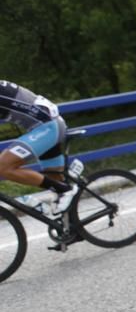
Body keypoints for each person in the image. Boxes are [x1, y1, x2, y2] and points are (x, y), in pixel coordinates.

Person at [0, 80, 78, 213]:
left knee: (3, 167)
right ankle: (71, 229)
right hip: (45, 127)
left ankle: (65, 190)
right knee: (55, 179)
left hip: (48, 128)